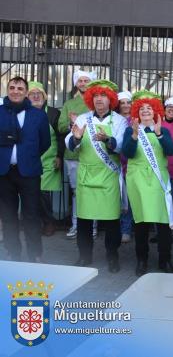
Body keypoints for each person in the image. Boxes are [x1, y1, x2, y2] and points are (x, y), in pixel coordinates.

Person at [65, 80, 127, 272]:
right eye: (96, 96)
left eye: (103, 96)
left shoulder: (119, 120)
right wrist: (75, 138)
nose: (99, 99)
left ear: (111, 100)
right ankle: (84, 256)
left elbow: (123, 145)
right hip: (86, 175)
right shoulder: (83, 119)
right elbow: (69, 143)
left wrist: (108, 139)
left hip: (108, 175)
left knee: (111, 221)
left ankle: (112, 256)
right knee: (83, 220)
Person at [122, 91, 173, 276]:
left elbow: (171, 150)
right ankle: (142, 260)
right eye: (142, 108)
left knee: (163, 224)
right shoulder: (130, 130)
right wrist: (135, 135)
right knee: (141, 223)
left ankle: (165, 260)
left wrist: (160, 134)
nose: (146, 111)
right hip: (137, 180)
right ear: (137, 112)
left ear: (155, 111)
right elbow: (127, 153)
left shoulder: (163, 129)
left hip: (158, 179)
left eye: (149, 108)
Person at [0, 77, 50, 261]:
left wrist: (27, 156)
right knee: (8, 216)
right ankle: (13, 253)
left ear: (26, 92)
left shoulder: (38, 115)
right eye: (12, 87)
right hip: (4, 172)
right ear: (7, 89)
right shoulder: (0, 112)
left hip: (29, 172)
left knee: (31, 215)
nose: (15, 91)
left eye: (20, 88)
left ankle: (34, 254)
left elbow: (45, 142)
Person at [58, 69, 97, 239]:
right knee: (76, 192)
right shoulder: (68, 104)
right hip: (73, 155)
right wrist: (71, 124)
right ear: (76, 83)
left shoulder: (96, 102)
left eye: (86, 80)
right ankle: (76, 225)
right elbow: (60, 127)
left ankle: (93, 228)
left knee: (92, 191)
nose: (83, 83)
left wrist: (79, 120)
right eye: (80, 80)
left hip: (93, 154)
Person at [28, 82, 65, 237]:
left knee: (42, 192)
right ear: (27, 97)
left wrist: (59, 156)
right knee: (29, 192)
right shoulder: (24, 112)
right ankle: (33, 223)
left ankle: (49, 222)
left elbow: (61, 135)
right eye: (32, 93)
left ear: (44, 96)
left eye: (39, 93)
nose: (36, 96)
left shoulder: (53, 113)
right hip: (30, 158)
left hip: (49, 158)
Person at [117, 90, 133, 243]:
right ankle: (118, 228)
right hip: (114, 162)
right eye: (122, 103)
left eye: (128, 102)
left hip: (130, 163)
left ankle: (127, 229)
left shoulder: (136, 119)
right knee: (118, 198)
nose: (126, 105)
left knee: (128, 199)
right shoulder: (114, 119)